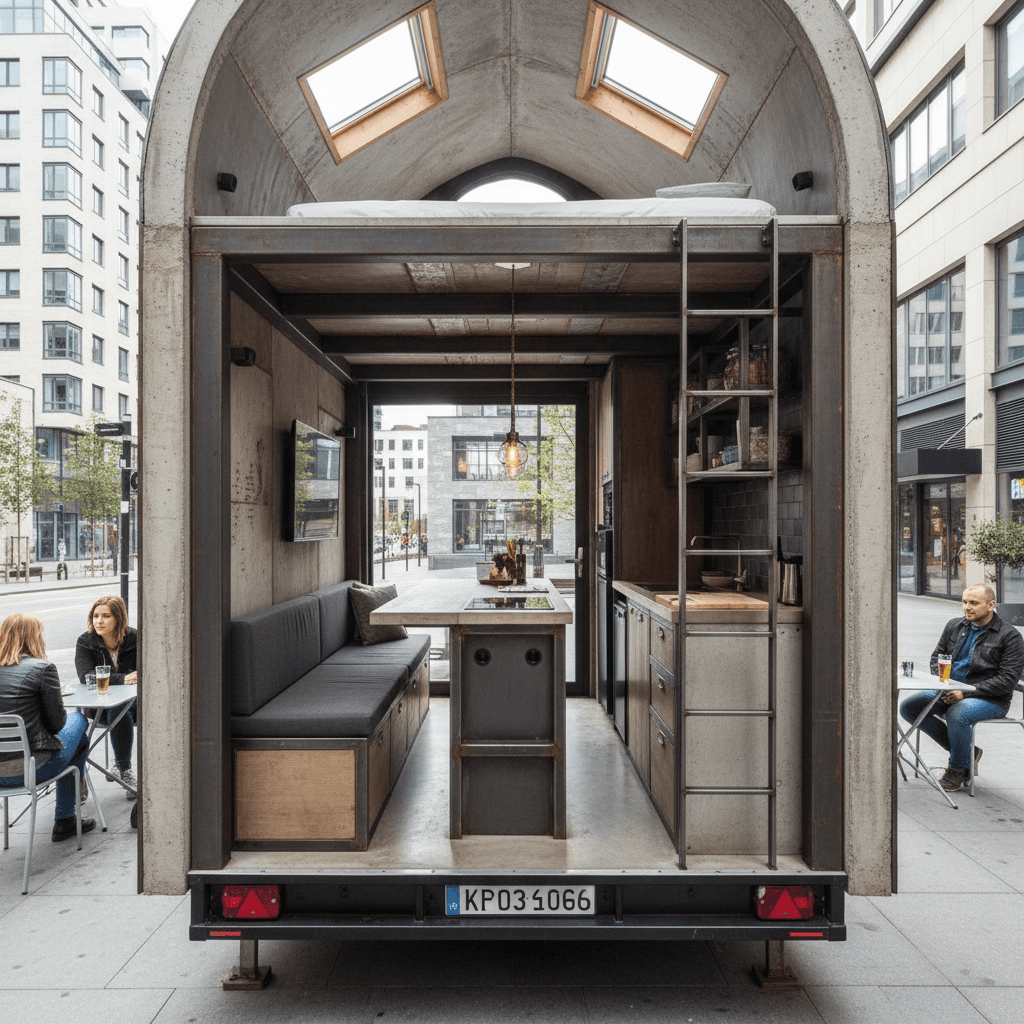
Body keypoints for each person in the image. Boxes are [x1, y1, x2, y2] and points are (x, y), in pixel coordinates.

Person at [900, 584, 1024, 792]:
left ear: (991, 605)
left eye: (973, 603)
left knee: (959, 712)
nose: (967, 607)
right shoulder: (954, 626)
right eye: (964, 602)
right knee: (909, 707)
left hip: (991, 699)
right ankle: (968, 754)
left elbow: (1007, 680)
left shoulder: (1009, 636)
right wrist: (942, 683)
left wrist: (964, 692)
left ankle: (957, 769)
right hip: (949, 689)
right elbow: (936, 657)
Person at [0, 613, 97, 842]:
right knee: (79, 722)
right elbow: (57, 724)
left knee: (76, 738)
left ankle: (67, 817)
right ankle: (65, 819)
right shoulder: (42, 669)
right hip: (32, 770)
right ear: (34, 637)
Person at [75, 596, 138, 799]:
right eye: (95, 616)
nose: (99, 621)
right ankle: (123, 769)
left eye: (106, 616)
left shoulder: (135, 638)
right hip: (98, 707)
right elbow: (86, 676)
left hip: (134, 705)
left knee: (119, 706)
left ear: (118, 618)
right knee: (79, 719)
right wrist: (122, 679)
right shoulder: (86, 641)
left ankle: (122, 767)